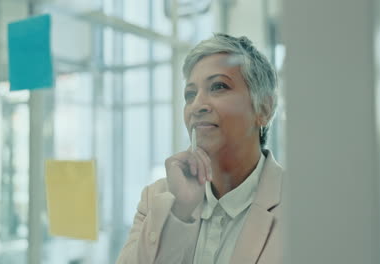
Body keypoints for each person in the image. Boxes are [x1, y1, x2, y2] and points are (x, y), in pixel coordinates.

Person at [117, 33, 283, 264]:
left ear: (263, 109)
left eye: (218, 86)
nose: (196, 106)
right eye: (190, 94)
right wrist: (179, 212)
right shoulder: (157, 198)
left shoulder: (302, 205)